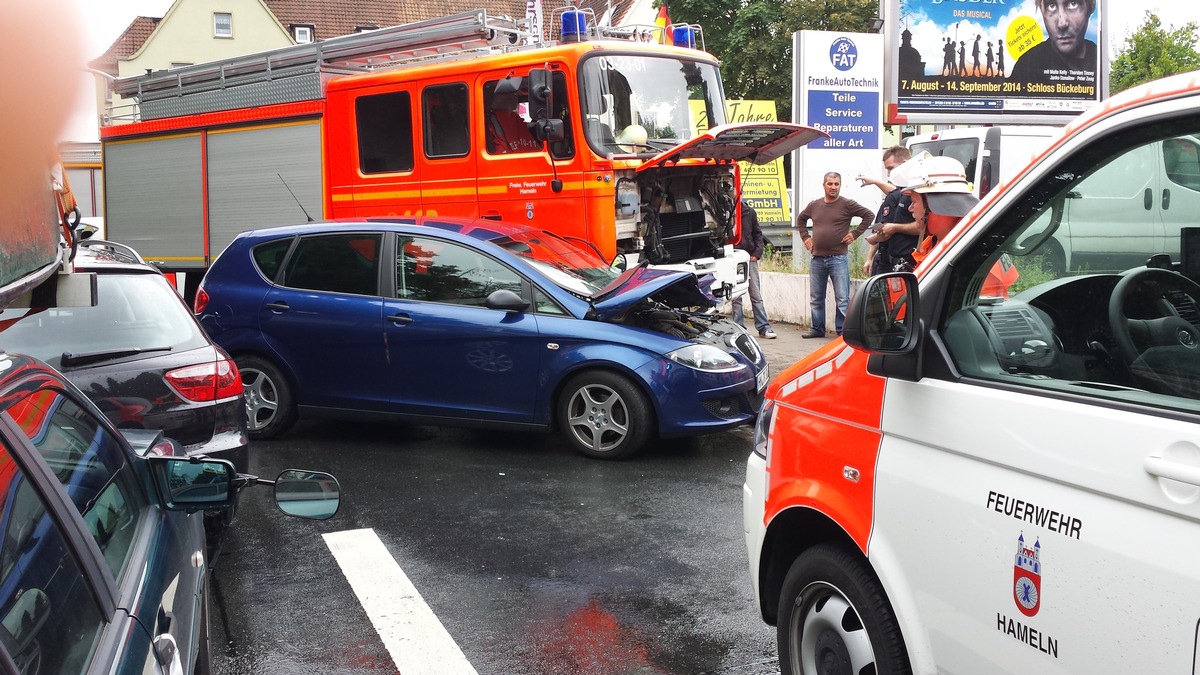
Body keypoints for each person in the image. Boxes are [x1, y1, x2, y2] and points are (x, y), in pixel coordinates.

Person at [795, 172, 875, 338]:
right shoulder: (814, 205)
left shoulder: (847, 204)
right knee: (816, 297)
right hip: (817, 258)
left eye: (836, 184)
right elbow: (801, 219)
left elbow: (869, 215)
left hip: (838, 258)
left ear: (840, 185)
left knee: (842, 298)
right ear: (823, 185)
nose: (833, 187)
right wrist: (805, 237)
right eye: (830, 184)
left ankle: (842, 331)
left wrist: (855, 233)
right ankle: (817, 329)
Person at [1008, 0, 1097, 86]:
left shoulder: (1100, 60)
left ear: (1092, 4)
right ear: (1041, 9)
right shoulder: (1026, 66)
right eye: (1051, 6)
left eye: (1073, 3)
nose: (1062, 23)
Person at [860, 145, 915, 276]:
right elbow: (895, 193)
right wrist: (869, 258)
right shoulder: (897, 194)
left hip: (905, 262)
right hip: (886, 259)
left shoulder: (916, 191)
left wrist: (893, 228)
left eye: (891, 168)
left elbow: (921, 227)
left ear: (904, 164)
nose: (889, 173)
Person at [731, 200, 776, 339]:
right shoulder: (724, 212)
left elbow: (758, 234)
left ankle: (764, 327)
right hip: (731, 258)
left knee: (755, 294)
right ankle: (739, 328)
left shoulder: (749, 212)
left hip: (749, 257)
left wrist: (757, 253)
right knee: (736, 296)